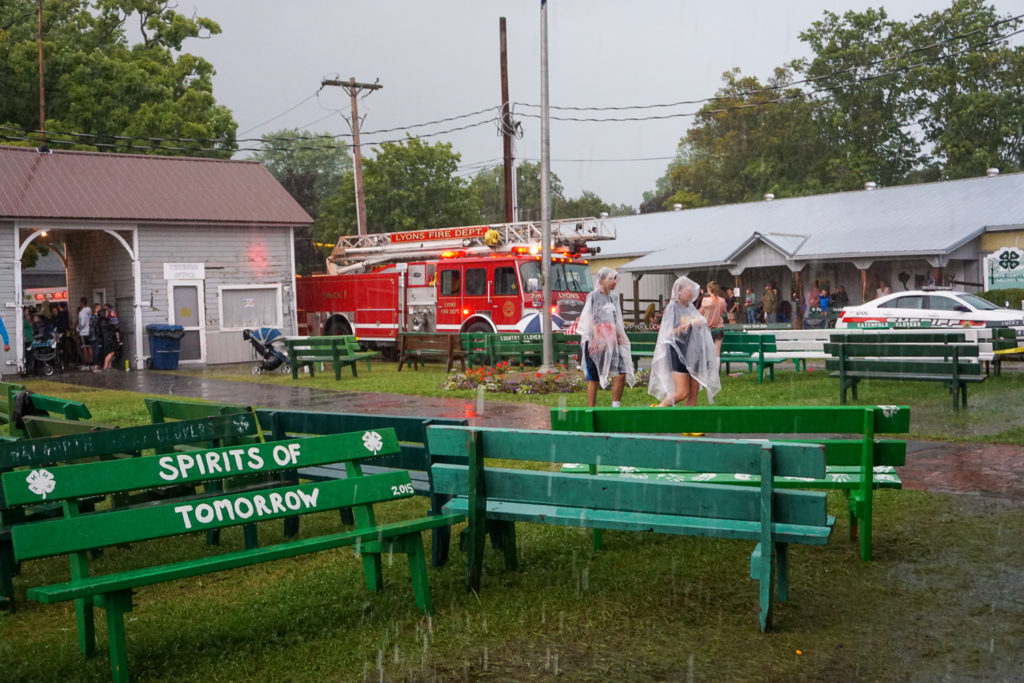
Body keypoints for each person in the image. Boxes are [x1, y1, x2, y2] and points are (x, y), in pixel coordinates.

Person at [648, 276, 721, 407]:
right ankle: (659, 409)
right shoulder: (672, 307)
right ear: (679, 291)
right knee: (682, 392)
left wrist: (700, 323)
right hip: (678, 351)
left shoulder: (689, 308)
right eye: (689, 290)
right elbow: (669, 332)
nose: (692, 293)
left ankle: (689, 423)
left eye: (693, 290)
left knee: (694, 390)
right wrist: (689, 324)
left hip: (693, 352)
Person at [577, 267, 634, 407]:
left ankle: (616, 406)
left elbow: (616, 318)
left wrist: (620, 335)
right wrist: (597, 337)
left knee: (621, 372)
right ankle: (591, 409)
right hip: (595, 342)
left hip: (612, 340)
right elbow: (588, 318)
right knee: (594, 378)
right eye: (611, 278)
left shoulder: (614, 297)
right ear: (601, 280)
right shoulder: (593, 296)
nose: (614, 282)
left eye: (615, 279)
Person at [699, 281, 727, 354]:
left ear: (708, 289)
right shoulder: (722, 300)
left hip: (708, 328)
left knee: (708, 351)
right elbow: (724, 311)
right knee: (717, 351)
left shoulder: (705, 300)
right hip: (719, 328)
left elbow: (700, 313)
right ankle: (716, 365)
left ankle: (709, 365)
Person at [77, 297, 93, 366]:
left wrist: (78, 329)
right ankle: (91, 362)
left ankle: (86, 363)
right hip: (89, 331)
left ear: (81, 303)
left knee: (84, 347)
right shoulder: (89, 310)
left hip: (83, 332)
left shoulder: (81, 312)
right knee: (90, 347)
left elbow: (82, 323)